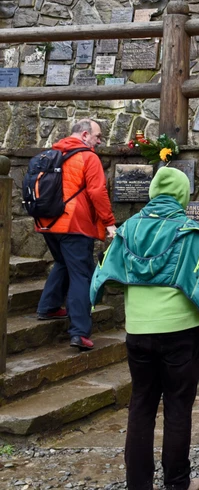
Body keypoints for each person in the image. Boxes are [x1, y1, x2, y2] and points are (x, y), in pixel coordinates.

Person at [91, 167, 199, 490]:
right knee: (178, 408)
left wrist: (93, 297)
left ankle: (138, 485)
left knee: (141, 405)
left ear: (152, 192)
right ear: (182, 195)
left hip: (138, 333)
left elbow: (106, 270)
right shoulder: (187, 230)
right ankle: (178, 484)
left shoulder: (129, 229)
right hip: (180, 336)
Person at [35, 119, 116, 351]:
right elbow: (97, 192)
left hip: (47, 224)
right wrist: (109, 222)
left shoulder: (52, 153)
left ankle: (48, 307)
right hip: (73, 224)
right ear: (84, 135)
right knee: (81, 274)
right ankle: (79, 332)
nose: (99, 141)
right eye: (97, 136)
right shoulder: (88, 157)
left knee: (62, 262)